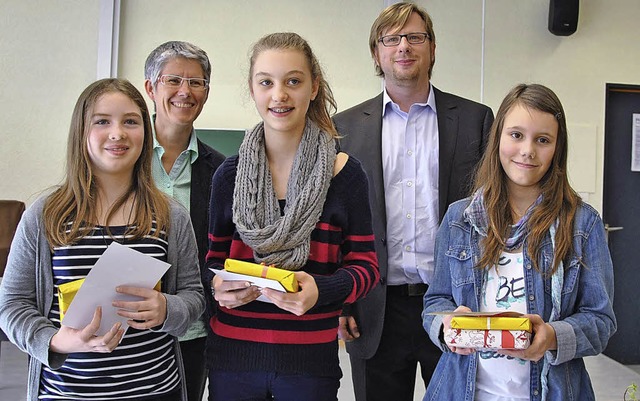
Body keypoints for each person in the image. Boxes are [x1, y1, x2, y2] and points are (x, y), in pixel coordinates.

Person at [0, 78, 205, 401]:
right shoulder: (45, 214)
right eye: (102, 121)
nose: (117, 133)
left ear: (145, 132)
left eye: (130, 121)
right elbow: (11, 304)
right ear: (82, 131)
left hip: (153, 390)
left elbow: (194, 296)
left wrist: (167, 308)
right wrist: (56, 341)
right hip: (66, 393)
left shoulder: (170, 215)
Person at [203, 32, 379, 401]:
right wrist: (219, 285)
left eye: (293, 81)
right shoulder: (229, 175)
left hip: (309, 364)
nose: (279, 95)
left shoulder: (345, 175)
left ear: (313, 88)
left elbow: (366, 266)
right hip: (232, 359)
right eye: (266, 82)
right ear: (252, 90)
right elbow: (212, 263)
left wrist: (323, 291)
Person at [333, 2, 494, 400]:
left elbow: (494, 215)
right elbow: (333, 222)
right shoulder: (343, 130)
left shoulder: (475, 119)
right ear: (377, 52)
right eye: (392, 39)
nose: (403, 46)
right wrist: (338, 299)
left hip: (457, 306)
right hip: (374, 308)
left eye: (415, 37)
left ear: (432, 48)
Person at [422, 83, 616, 400]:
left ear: (557, 148)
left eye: (542, 140)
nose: (527, 150)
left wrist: (552, 336)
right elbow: (435, 302)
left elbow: (601, 320)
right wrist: (447, 326)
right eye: (516, 135)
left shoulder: (582, 224)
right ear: (498, 137)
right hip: (463, 390)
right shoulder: (460, 219)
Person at [144, 40, 226, 401]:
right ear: (150, 88)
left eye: (196, 83)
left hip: (194, 329)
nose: (185, 91)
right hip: (125, 326)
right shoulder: (119, 159)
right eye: (173, 80)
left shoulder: (223, 170)